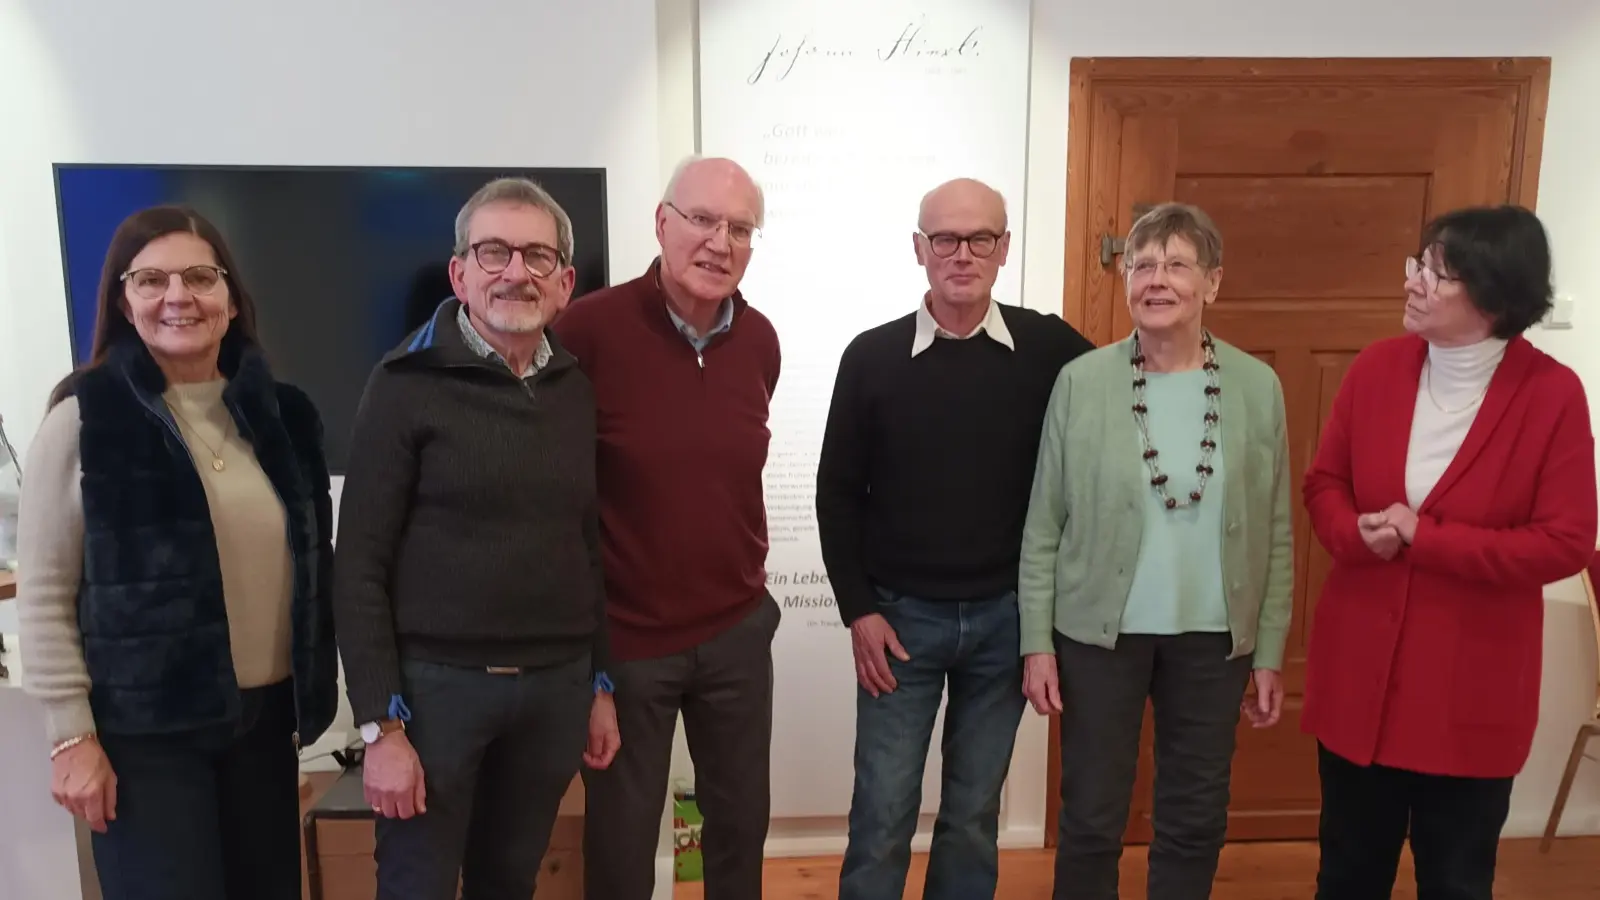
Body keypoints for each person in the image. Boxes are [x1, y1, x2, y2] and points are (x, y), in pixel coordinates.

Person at [15, 205, 338, 900]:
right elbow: (43, 593)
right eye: (151, 279)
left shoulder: (287, 417)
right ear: (123, 301)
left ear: (229, 297)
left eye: (199, 276)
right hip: (146, 742)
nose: (178, 297)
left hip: (265, 728)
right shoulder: (83, 418)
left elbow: (313, 575)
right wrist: (72, 739)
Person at [333, 177, 620, 899]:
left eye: (536, 256)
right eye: (494, 252)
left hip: (553, 692)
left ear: (565, 282)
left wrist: (600, 683)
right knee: (416, 884)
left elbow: (585, 542)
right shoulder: (402, 384)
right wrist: (379, 729)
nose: (515, 272)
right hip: (435, 698)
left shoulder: (574, 390)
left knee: (509, 882)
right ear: (460, 272)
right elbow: (359, 563)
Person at [1302, 204, 1597, 900]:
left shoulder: (1553, 396)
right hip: (1358, 683)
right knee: (1345, 875)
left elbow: (1564, 542)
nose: (1414, 282)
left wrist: (1425, 538)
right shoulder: (1376, 369)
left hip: (1469, 692)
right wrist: (1355, 534)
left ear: (1496, 295)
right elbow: (1324, 485)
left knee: (1458, 881)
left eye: (1438, 273)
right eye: (1418, 264)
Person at [816, 177, 1094, 900]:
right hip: (899, 622)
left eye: (980, 239)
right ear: (919, 249)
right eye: (945, 238)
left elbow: (1136, 385)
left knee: (973, 815)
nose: (962, 254)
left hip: (1006, 621)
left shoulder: (1050, 349)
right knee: (881, 813)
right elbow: (837, 493)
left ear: (1005, 249)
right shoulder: (871, 358)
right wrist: (858, 610)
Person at [1018, 202, 1294, 900]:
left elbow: (1276, 529)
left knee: (1195, 819)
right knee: (1089, 818)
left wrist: (1268, 649)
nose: (1157, 279)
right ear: (1125, 280)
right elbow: (1043, 524)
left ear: (1213, 282)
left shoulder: (1257, 386)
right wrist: (1036, 643)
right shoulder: (1081, 382)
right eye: (1142, 264)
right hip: (1097, 638)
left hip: (1212, 641)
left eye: (1177, 264)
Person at [551, 155, 781, 900]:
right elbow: (559, 496)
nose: (721, 242)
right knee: (621, 843)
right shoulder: (587, 330)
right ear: (661, 223)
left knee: (741, 827)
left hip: (736, 631)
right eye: (703, 220)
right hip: (628, 642)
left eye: (740, 228)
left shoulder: (760, 340)